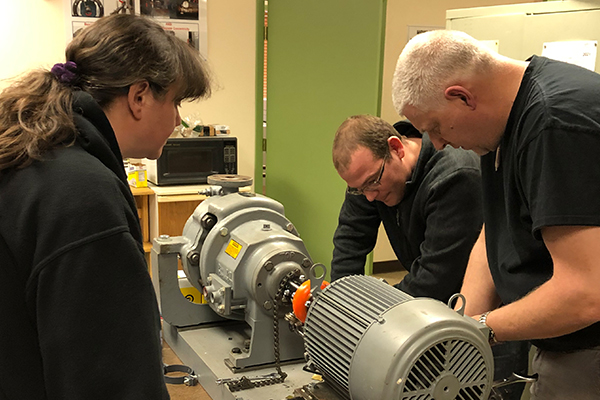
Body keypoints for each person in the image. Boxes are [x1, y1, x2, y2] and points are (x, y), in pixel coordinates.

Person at [0, 14, 210, 399]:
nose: (178, 119)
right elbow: (112, 381)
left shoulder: (35, 157)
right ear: (140, 96)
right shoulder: (84, 199)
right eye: (175, 101)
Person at [392, 29, 600, 399]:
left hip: (590, 344)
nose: (437, 144)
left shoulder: (553, 124)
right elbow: (496, 230)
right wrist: (462, 323)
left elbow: (586, 292)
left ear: (461, 97)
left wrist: (481, 329)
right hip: (559, 337)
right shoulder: (500, 124)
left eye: (435, 128)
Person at [331, 115, 528, 400]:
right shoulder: (370, 178)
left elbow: (433, 279)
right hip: (433, 312)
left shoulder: (455, 177)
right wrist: (342, 308)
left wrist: (372, 323)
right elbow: (351, 238)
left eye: (373, 183)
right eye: (359, 189)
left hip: (485, 317)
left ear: (396, 148)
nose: (369, 197)